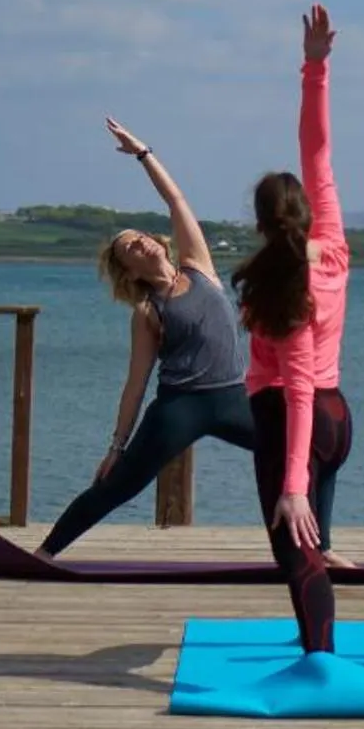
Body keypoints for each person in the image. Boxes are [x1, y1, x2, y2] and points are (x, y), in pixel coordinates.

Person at [34, 120, 253, 558]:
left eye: (140, 237)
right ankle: (43, 554)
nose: (140, 244)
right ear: (129, 272)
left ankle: (316, 550)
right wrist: (117, 446)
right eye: (128, 249)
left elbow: (175, 200)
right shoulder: (147, 311)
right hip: (179, 407)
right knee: (119, 486)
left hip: (233, 397)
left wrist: (143, 154)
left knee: (301, 454)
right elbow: (136, 383)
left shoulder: (199, 266)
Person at [235, 3, 354, 654]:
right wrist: (315, 67)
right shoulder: (333, 245)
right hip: (339, 420)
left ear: (258, 222)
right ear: (308, 210)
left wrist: (291, 485)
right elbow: (319, 149)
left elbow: (296, 386)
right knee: (312, 545)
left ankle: (321, 663)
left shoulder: (280, 288)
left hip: (295, 420)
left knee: (298, 554)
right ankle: (317, 642)